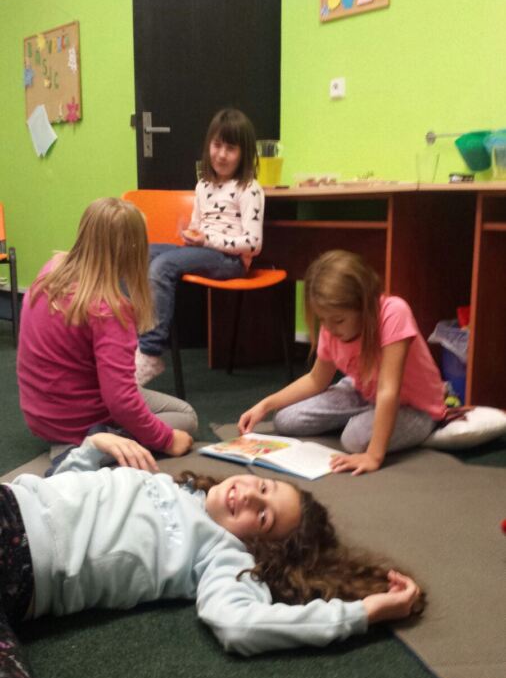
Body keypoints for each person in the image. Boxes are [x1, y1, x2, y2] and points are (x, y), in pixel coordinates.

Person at [0, 432, 423, 678]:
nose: (250, 495)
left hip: (16, 569)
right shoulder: (175, 485)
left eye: (263, 516)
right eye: (265, 487)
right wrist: (94, 445)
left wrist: (361, 613)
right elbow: (62, 485)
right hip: (12, 502)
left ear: (264, 551)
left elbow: (240, 625)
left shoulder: (223, 554)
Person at [16, 198, 197, 463]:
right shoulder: (108, 310)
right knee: (186, 418)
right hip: (78, 421)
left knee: (162, 409)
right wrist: (167, 440)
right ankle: (90, 446)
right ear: (133, 249)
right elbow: (121, 402)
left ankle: (80, 441)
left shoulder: (51, 269)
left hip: (41, 416)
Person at [239, 250, 447, 475]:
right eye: (323, 320)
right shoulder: (331, 328)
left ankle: (385, 424)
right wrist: (265, 405)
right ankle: (364, 417)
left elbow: (389, 390)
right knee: (286, 419)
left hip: (415, 407)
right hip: (364, 390)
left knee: (354, 439)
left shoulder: (393, 312)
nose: (329, 328)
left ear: (364, 305)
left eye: (338, 320)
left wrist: (373, 456)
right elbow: (316, 379)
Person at [135, 108, 265, 386]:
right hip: (205, 252)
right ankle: (126, 339)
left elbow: (254, 244)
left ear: (244, 153)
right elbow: (199, 227)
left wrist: (206, 240)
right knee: (137, 255)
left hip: (231, 261)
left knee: (162, 266)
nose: (221, 154)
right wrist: (190, 234)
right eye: (217, 145)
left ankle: (149, 352)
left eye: (231, 148)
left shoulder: (249, 188)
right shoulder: (203, 185)